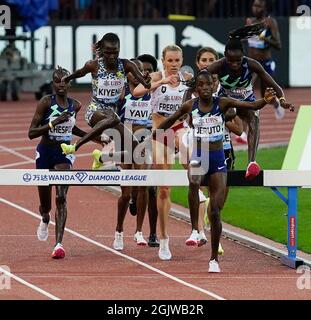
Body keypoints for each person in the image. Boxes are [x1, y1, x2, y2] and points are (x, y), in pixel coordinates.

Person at [153, 70, 283, 272]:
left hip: (218, 159)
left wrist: (265, 101)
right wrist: (154, 134)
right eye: (202, 85)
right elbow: (171, 119)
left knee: (215, 211)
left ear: (213, 86)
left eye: (208, 84)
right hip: (199, 155)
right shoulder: (191, 106)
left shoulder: (221, 103)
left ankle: (213, 259)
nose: (205, 87)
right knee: (194, 180)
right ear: (196, 88)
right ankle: (195, 229)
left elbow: (250, 106)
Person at [205, 23, 294, 180]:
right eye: (231, 61)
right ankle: (211, 146)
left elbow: (274, 84)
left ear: (243, 56)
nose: (235, 64)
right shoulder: (218, 65)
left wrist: (282, 100)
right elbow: (196, 81)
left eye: (238, 61)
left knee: (254, 120)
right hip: (227, 101)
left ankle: (251, 163)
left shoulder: (252, 64)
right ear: (225, 55)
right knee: (231, 111)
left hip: (247, 101)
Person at [133, 45, 193, 260]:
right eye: (170, 61)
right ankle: (164, 238)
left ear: (182, 60)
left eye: (177, 60)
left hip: (180, 128)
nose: (174, 65)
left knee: (188, 146)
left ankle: (198, 192)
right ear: (163, 61)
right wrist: (160, 82)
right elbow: (137, 91)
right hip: (160, 130)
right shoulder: (157, 76)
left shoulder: (187, 78)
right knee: (164, 188)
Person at [28, 66, 89, 259]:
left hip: (63, 154)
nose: (61, 85)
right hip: (45, 152)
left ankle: (58, 244)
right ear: (53, 83)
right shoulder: (46, 102)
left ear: (70, 83)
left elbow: (72, 129)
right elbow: (31, 133)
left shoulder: (75, 105)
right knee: (45, 204)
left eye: (65, 81)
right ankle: (45, 217)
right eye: (57, 81)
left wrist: (93, 137)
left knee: (61, 197)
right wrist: (53, 123)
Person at [59, 32, 151, 158]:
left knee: (136, 150)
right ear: (102, 50)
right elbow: (80, 72)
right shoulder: (94, 65)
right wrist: (68, 78)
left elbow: (145, 83)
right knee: (114, 118)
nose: (112, 56)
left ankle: (101, 159)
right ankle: (74, 146)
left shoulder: (126, 65)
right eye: (108, 52)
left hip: (112, 114)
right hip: (95, 111)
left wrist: (146, 80)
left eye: (115, 52)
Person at [112, 59, 152, 250]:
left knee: (142, 186)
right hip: (124, 141)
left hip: (143, 139)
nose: (137, 73)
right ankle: (119, 230)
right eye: (133, 71)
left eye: (140, 70)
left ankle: (138, 232)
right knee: (126, 193)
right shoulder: (122, 92)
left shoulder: (149, 91)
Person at [129, 53, 160, 247]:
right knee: (136, 187)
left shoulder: (157, 91)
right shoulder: (128, 90)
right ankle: (133, 197)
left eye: (149, 69)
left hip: (151, 139)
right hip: (127, 141)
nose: (145, 72)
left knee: (151, 188)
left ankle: (153, 234)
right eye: (142, 69)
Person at [246, 0, 284, 120]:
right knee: (245, 90)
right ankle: (247, 118)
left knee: (265, 94)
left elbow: (278, 44)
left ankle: (277, 103)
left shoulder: (270, 22)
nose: (255, 8)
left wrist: (264, 38)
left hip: (264, 63)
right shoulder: (249, 22)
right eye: (254, 5)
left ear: (265, 8)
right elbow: (246, 40)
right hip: (251, 62)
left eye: (259, 6)